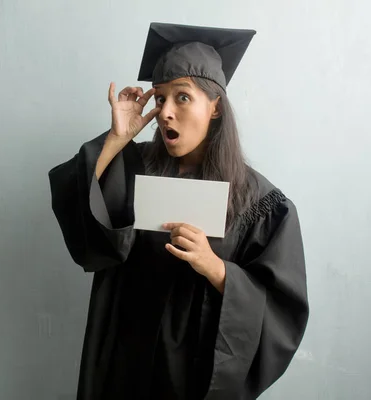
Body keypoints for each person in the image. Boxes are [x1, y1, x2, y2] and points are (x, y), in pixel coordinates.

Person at [48, 22, 309, 400]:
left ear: (215, 106)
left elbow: (283, 313)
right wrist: (117, 140)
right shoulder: (133, 167)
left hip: (193, 373)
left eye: (182, 98)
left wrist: (217, 269)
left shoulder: (260, 202)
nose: (166, 112)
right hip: (126, 363)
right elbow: (82, 211)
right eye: (160, 99)